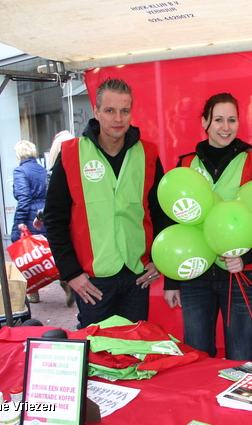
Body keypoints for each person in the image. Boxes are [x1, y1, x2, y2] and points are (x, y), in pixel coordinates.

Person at [44, 78, 173, 328]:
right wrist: (71, 273)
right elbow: (54, 219)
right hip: (93, 280)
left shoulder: (147, 154)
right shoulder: (71, 154)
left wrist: (159, 259)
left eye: (124, 111)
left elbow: (161, 212)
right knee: (99, 353)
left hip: (137, 276)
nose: (118, 119)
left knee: (134, 351)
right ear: (96, 112)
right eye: (110, 110)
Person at [163, 93, 252, 361]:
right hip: (194, 277)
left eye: (232, 120)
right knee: (197, 356)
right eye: (219, 120)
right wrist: (172, 281)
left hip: (239, 276)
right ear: (205, 122)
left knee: (240, 357)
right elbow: (173, 222)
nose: (226, 127)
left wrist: (245, 257)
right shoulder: (186, 164)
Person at [33, 130, 76, 307]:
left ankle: (68, 281)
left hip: (64, 227)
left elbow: (53, 207)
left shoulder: (54, 171)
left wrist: (39, 217)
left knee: (65, 260)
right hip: (78, 226)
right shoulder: (77, 168)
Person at [11, 140, 47, 303]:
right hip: (43, 213)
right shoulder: (42, 170)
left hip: (29, 214)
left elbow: (24, 197)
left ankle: (33, 290)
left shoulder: (20, 171)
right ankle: (64, 280)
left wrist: (20, 221)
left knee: (25, 253)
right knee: (45, 249)